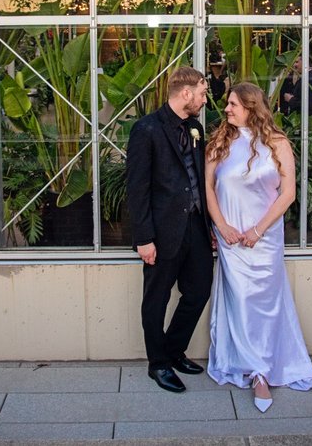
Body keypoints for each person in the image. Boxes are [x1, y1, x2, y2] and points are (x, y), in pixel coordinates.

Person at [205, 82, 312, 412]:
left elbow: (288, 193)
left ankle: (266, 367)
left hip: (266, 238)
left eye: (233, 104)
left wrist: (258, 230)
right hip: (232, 239)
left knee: (268, 304)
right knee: (242, 302)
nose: (226, 109)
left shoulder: (278, 143)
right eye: (228, 104)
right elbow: (208, 189)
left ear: (251, 107)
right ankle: (254, 369)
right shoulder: (219, 142)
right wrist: (222, 227)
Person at [126, 66, 213, 393]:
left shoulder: (195, 128)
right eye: (202, 94)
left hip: (196, 226)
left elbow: (198, 179)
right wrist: (144, 238)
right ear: (186, 93)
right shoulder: (146, 129)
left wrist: (210, 225)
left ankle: (174, 350)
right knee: (157, 299)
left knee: (200, 290)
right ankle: (158, 364)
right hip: (162, 233)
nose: (205, 100)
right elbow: (137, 188)